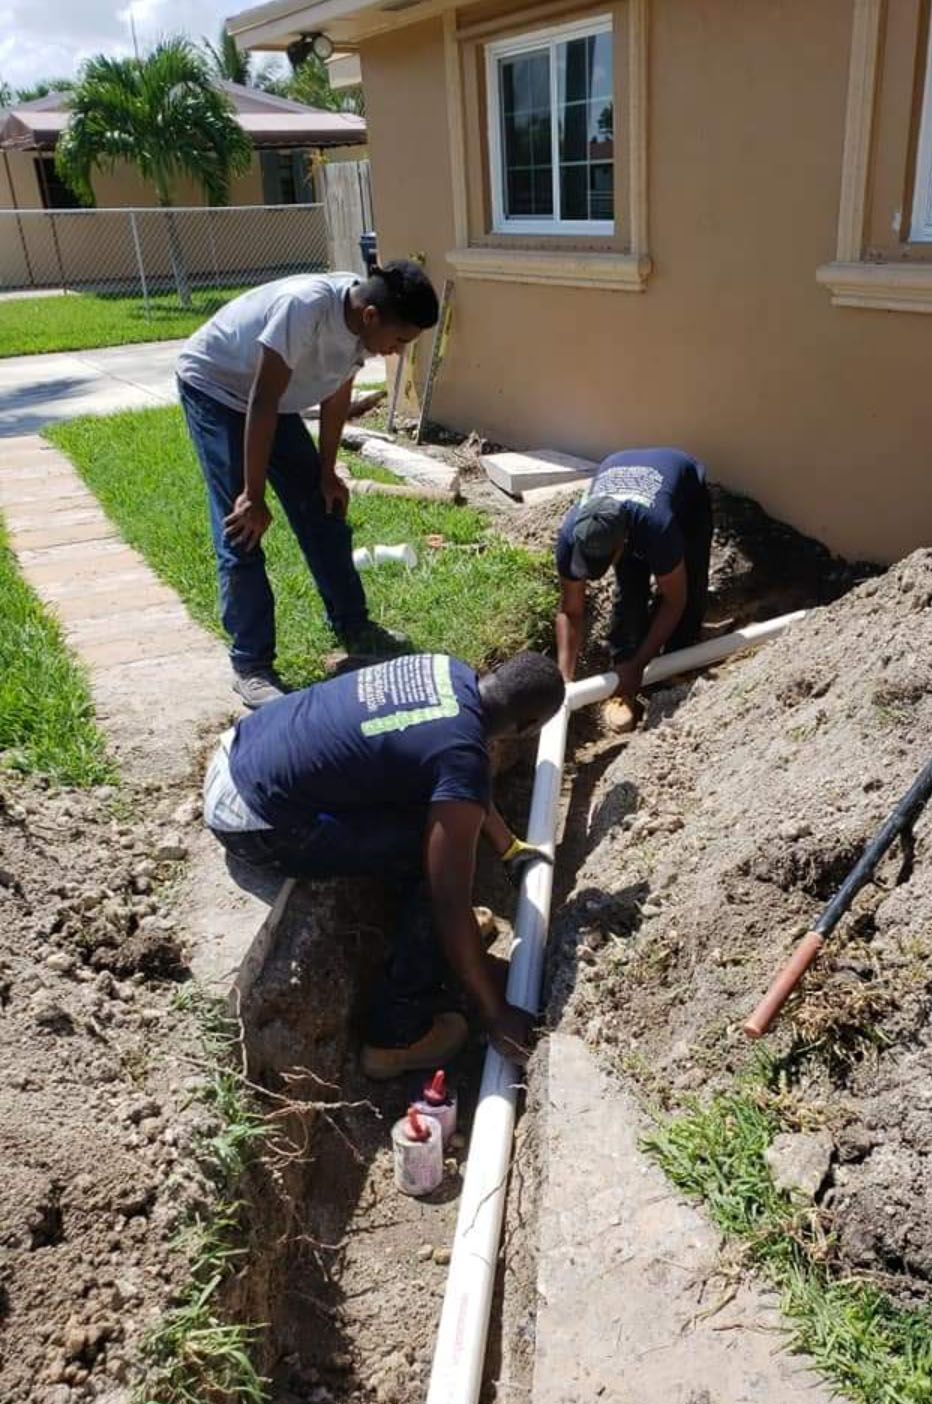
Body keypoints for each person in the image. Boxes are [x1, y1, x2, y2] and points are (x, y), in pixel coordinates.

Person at [203, 649, 564, 1078]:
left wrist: (507, 847)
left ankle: (438, 956)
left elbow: (464, 768)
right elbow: (446, 896)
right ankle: (397, 1034)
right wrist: (496, 1012)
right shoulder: (461, 754)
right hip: (254, 821)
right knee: (430, 858)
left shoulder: (446, 671)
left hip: (241, 753)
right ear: (526, 729)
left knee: (439, 821)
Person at [176, 262, 440, 709]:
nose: (395, 353)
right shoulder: (305, 309)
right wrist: (252, 495)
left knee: (323, 509)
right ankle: (251, 665)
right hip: (219, 389)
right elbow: (260, 400)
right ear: (372, 315)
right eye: (399, 342)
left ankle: (353, 625)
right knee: (242, 529)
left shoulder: (359, 326)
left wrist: (326, 473)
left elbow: (335, 396)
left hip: (270, 402)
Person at [555, 448, 714, 721]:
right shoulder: (571, 535)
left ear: (622, 542)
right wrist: (563, 678)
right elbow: (570, 611)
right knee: (630, 589)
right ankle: (623, 673)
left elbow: (675, 600)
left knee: (690, 582)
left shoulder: (658, 527)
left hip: (687, 498)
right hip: (619, 471)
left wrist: (641, 664)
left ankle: (677, 663)